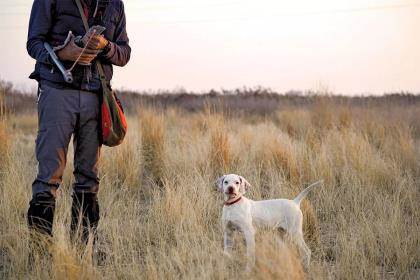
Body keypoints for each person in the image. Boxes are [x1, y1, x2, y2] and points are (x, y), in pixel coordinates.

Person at [26, 0, 130, 244]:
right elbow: (33, 43)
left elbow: (124, 54)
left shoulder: (115, 4)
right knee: (49, 175)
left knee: (89, 178)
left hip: (96, 96)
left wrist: (105, 46)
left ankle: (84, 250)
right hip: (57, 91)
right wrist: (62, 53)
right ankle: (40, 254)